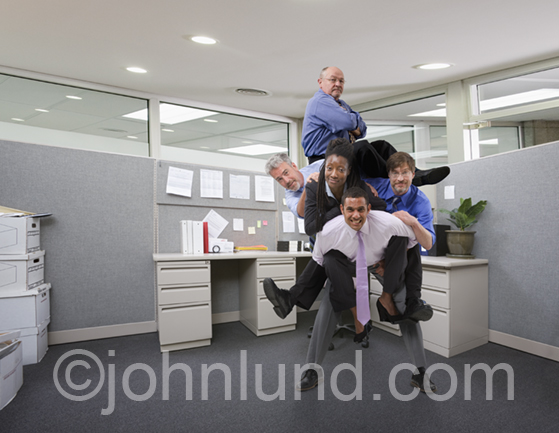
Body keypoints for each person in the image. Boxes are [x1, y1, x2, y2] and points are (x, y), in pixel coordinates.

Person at [298, 187, 436, 394]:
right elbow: (319, 259)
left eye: (361, 209)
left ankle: (421, 372)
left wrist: (389, 260)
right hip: (347, 264)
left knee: (405, 305)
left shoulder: (387, 221)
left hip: (379, 261)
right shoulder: (329, 230)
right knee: (329, 304)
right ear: (342, 209)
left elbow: (415, 242)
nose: (356, 215)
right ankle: (311, 370)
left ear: (369, 208)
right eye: (350, 209)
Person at [263, 140, 386, 325]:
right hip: (330, 231)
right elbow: (305, 217)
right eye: (279, 179)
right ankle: (293, 300)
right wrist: (310, 187)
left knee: (327, 258)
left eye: (286, 173)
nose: (285, 181)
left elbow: (347, 166)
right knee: (326, 257)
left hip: (356, 231)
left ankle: (292, 299)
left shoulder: (323, 165)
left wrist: (364, 185)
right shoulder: (292, 194)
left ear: (294, 166)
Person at [302, 66, 450, 187]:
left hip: (341, 153)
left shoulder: (341, 104)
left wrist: (349, 120)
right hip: (324, 160)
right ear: (320, 82)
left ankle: (414, 173)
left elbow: (362, 129)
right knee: (362, 148)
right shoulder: (318, 102)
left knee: (382, 146)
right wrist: (351, 120)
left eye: (341, 81)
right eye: (333, 80)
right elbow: (349, 123)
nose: (338, 84)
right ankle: (396, 178)